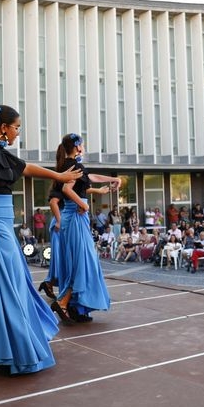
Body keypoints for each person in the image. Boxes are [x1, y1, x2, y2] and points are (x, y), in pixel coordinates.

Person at [0, 105, 80, 374]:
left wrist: (58, 175)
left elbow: (26, 168)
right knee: (4, 285)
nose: (18, 132)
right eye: (16, 127)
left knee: (1, 285)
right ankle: (10, 349)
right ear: (4, 127)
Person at [52, 133, 120, 324]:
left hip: (71, 216)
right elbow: (67, 190)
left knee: (78, 261)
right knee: (84, 262)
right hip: (76, 216)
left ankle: (75, 307)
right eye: (82, 144)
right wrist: (84, 205)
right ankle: (64, 303)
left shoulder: (68, 164)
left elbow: (89, 177)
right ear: (78, 146)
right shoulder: (74, 165)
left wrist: (112, 179)